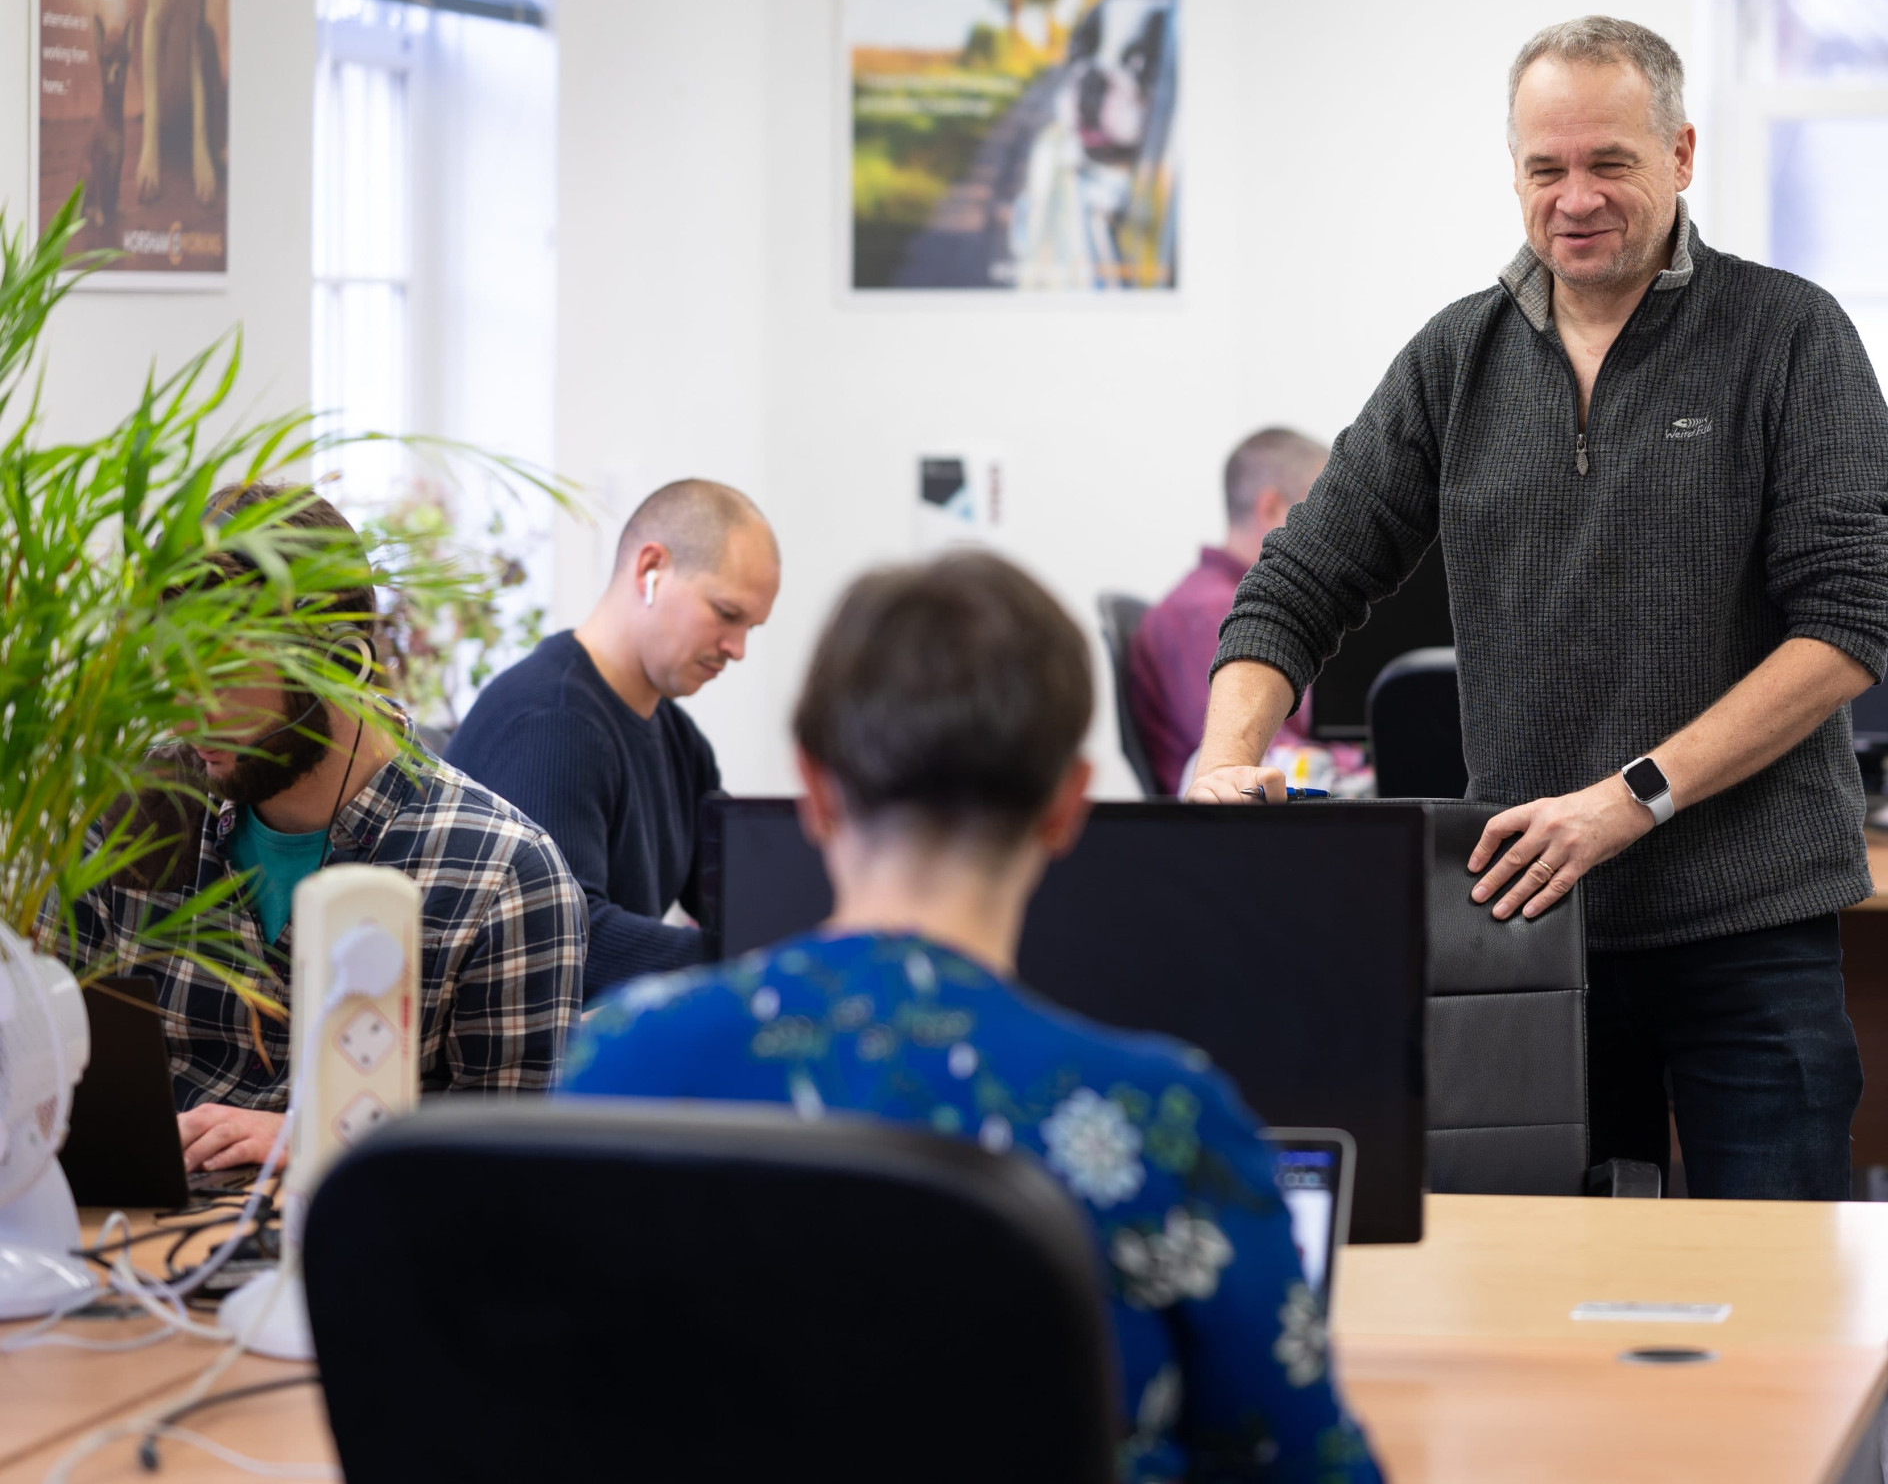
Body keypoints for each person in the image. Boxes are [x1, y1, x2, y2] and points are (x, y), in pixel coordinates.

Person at [1191, 16, 1888, 1201]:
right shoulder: (1457, 359)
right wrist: (1225, 756)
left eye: (1609, 162)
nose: (1575, 197)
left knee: (1781, 1304)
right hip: (1531, 924)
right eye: (1546, 168)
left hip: (1749, 922)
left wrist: (1628, 800)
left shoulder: (1789, 337)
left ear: (1680, 154)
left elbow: (1841, 630)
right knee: (1550, 1297)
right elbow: (1295, 580)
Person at [561, 552, 1379, 1482]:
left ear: (816, 791)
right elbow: (1307, 1464)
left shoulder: (619, 1064)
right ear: (1068, 807)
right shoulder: (1163, 1120)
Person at [41, 483, 586, 1172]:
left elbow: (516, 1171)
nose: (184, 717)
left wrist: (328, 1136)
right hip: (122, 1247)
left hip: (353, 1255)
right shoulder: (136, 811)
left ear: (336, 659)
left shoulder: (502, 876)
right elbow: (48, 1073)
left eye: (217, 674)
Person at [446, 479, 780, 1001]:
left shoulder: (678, 739)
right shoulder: (551, 722)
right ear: (651, 569)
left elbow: (739, 896)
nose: (736, 648)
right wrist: (755, 965)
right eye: (727, 614)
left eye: (751, 628)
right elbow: (570, 940)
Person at [1126, 428, 1365, 795]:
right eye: (1321, 514)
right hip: (1229, 834)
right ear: (1270, 508)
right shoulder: (1211, 613)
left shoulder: (1210, 603)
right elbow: (1266, 762)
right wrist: (1360, 762)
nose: (1333, 531)